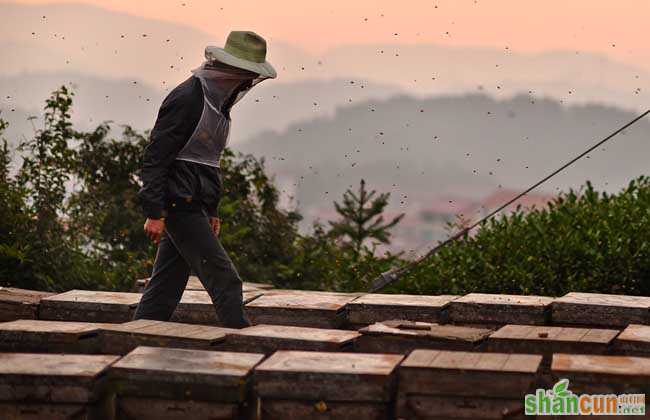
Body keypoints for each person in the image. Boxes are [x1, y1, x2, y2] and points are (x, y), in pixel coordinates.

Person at [133, 31, 276, 328]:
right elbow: (156, 157)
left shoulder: (218, 103)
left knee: (166, 284)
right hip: (177, 203)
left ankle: (138, 337)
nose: (248, 82)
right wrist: (154, 211)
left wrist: (211, 209)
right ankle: (242, 348)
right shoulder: (188, 98)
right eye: (246, 75)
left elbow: (207, 161)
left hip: (193, 202)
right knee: (225, 280)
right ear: (232, 69)